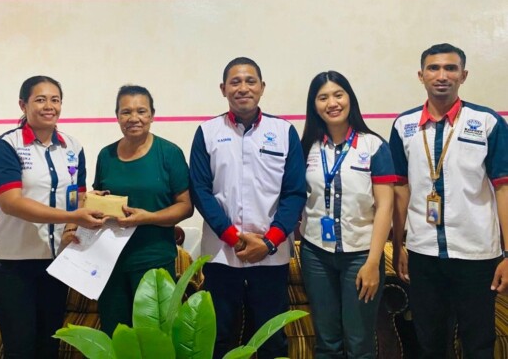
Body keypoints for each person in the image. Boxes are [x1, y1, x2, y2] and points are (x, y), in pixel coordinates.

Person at [390, 43, 508, 358]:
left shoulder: (487, 122)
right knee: (429, 342)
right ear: (421, 75)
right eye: (434, 68)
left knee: (478, 341)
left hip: (476, 253)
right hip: (423, 253)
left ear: (463, 75)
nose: (442, 75)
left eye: (450, 68)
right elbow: (400, 190)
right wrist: (399, 246)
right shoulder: (403, 125)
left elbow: (503, 189)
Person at [189, 57, 306, 359]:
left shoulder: (284, 131)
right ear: (223, 89)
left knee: (271, 339)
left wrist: (269, 242)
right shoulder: (207, 132)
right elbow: (200, 191)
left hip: (271, 256)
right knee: (218, 337)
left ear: (262, 87)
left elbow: (294, 193)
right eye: (235, 82)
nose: (243, 88)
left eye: (250, 81)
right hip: (221, 255)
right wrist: (233, 237)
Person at [0, 76, 107, 359]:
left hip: (57, 263)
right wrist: (71, 214)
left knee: (49, 344)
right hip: (13, 263)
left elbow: (77, 197)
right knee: (20, 347)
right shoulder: (8, 145)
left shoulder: (73, 147)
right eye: (40, 100)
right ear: (23, 105)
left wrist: (91, 206)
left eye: (55, 100)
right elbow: (12, 203)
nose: (49, 106)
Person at [73, 85, 193, 335]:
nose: (134, 118)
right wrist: (93, 200)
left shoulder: (169, 153)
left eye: (141, 111)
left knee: (156, 337)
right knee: (117, 336)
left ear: (152, 115)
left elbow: (185, 206)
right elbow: (98, 196)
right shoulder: (106, 155)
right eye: (126, 112)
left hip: (154, 260)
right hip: (109, 262)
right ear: (117, 116)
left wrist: (148, 218)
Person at [299, 71, 395, 358]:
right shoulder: (307, 147)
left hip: (361, 255)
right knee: (327, 342)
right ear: (314, 105)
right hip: (316, 254)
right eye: (323, 97)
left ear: (350, 98)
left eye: (338, 95)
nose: (332, 103)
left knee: (359, 342)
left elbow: (385, 207)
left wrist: (373, 262)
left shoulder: (373, 146)